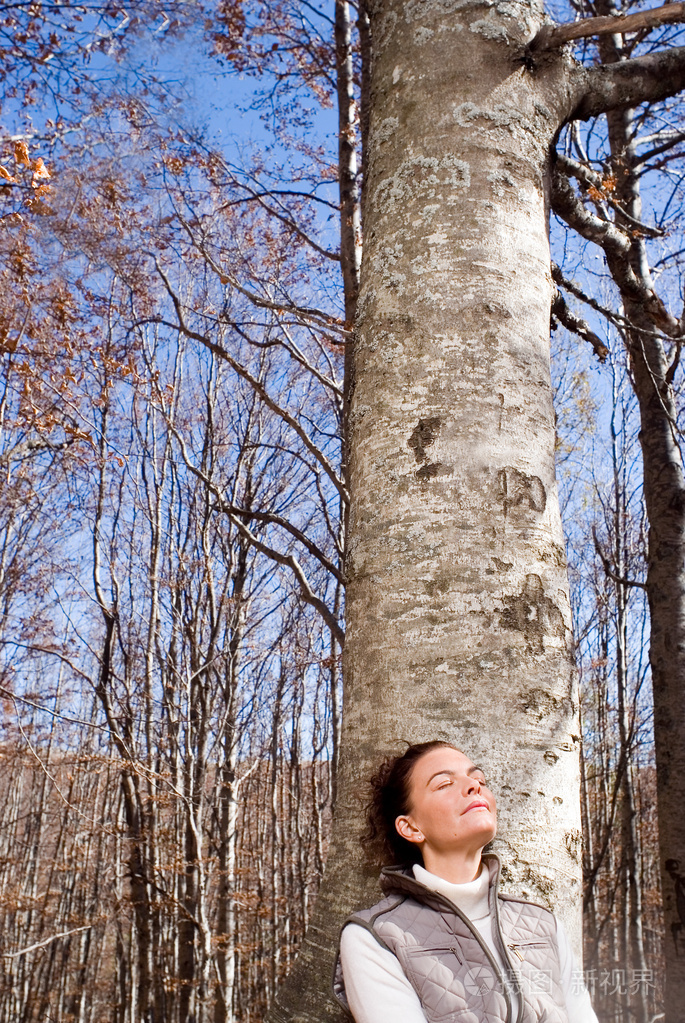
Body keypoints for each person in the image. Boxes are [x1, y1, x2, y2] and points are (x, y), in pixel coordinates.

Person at [333, 741, 598, 1023]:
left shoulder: (542, 924)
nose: (474, 786)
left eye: (479, 779)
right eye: (444, 784)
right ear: (410, 827)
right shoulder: (375, 936)